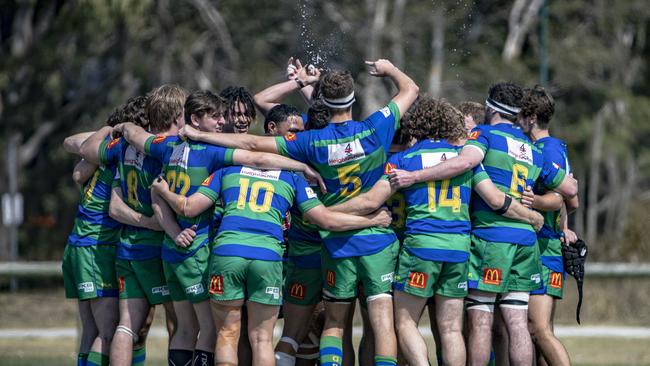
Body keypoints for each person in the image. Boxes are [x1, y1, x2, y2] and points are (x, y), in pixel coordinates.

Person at [177, 58, 419, 365]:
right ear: (354, 98)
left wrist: (200, 136)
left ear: (323, 104)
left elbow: (252, 144)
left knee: (334, 323)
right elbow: (410, 88)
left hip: (336, 242)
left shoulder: (310, 141)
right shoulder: (376, 127)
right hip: (378, 241)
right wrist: (389, 69)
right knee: (382, 323)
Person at [112, 89, 325, 365]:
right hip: (199, 247)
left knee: (186, 330)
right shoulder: (213, 153)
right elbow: (257, 158)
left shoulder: (166, 146)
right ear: (195, 119)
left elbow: (136, 136)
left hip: (173, 250)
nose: (221, 122)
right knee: (218, 331)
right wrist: (300, 167)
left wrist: (121, 126)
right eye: (215, 116)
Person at [330, 96, 543, 366]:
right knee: (451, 329)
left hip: (422, 248)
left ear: (415, 127)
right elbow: (497, 199)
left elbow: (371, 201)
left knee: (405, 322)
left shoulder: (405, 160)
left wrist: (329, 211)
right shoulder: (465, 160)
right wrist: (532, 216)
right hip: (458, 250)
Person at [388, 82, 577, 366]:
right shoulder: (532, 148)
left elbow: (463, 163)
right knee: (517, 322)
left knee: (481, 319)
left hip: (492, 238)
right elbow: (569, 188)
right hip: (526, 243)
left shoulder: (484, 135)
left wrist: (416, 176)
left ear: (490, 108)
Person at [151, 161, 391, 366]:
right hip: (266, 257)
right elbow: (326, 220)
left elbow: (188, 207)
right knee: (262, 339)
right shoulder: (290, 178)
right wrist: (371, 220)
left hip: (227, 254)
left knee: (226, 333)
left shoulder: (227, 171)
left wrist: (163, 191)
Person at [79, 94, 178, 366]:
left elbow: (84, 149)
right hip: (156, 248)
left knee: (126, 326)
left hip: (126, 247)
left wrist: (114, 130)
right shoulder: (165, 149)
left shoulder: (122, 149)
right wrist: (152, 222)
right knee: (180, 324)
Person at [518, 85, 578, 366]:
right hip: (548, 244)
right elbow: (572, 203)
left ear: (530, 117)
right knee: (539, 331)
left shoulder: (546, 148)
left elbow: (566, 197)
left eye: (519, 116)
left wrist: (534, 201)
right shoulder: (555, 147)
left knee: (539, 329)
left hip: (545, 247)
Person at [61, 108, 123, 366]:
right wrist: (112, 131)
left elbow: (75, 159)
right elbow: (70, 142)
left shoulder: (96, 154)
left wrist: (106, 132)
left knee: (90, 331)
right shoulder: (117, 154)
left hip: (78, 247)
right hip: (96, 249)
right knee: (107, 334)